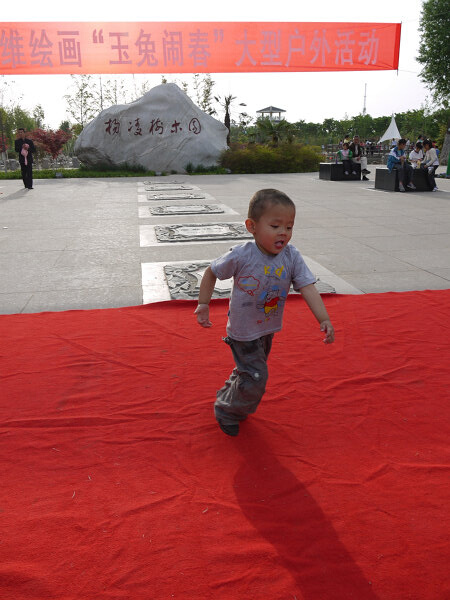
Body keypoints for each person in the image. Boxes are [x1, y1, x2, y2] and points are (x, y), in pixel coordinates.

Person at [194, 188, 335, 437]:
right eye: (275, 225)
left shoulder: (291, 256)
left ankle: (231, 390)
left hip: (267, 329)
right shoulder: (241, 254)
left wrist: (324, 318)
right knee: (257, 377)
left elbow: (307, 286)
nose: (284, 233)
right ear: (252, 226)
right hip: (243, 331)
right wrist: (203, 303)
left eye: (289, 227)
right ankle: (227, 410)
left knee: (249, 372)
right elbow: (212, 271)